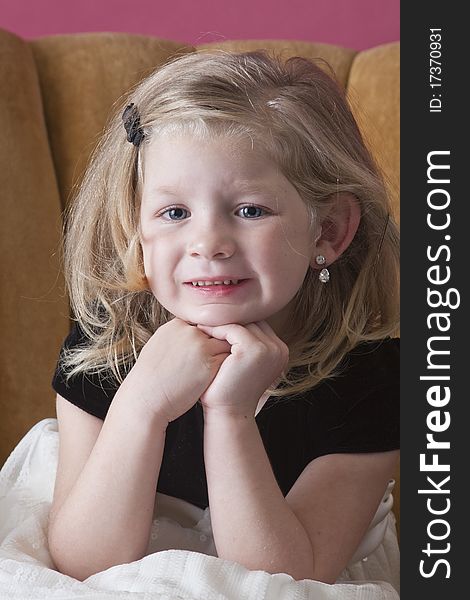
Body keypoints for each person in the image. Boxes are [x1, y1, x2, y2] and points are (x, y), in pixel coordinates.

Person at [48, 49, 400, 584]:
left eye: (250, 210)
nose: (208, 243)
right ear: (135, 233)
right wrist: (142, 403)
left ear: (326, 232)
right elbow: (83, 563)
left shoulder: (369, 378)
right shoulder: (105, 344)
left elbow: (281, 582)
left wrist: (231, 416)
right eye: (174, 213)